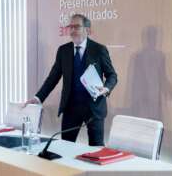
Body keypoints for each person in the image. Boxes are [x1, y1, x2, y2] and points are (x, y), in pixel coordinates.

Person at [25, 14, 117, 146]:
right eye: (70, 27)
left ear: (87, 29)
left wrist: (106, 88)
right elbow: (52, 78)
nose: (72, 30)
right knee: (66, 147)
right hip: (71, 108)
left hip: (94, 108)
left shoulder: (99, 50)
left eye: (77, 27)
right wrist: (38, 97)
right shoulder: (63, 51)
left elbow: (112, 75)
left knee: (96, 150)